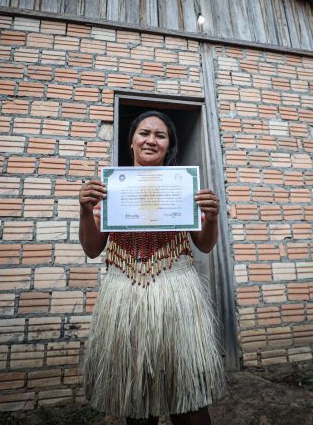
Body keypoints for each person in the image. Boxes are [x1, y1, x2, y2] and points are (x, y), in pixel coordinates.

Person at [79, 110, 226, 425]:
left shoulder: (182, 186)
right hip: (125, 295)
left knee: (189, 399)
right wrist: (84, 210)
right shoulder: (112, 188)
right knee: (138, 402)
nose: (151, 140)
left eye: (161, 135)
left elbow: (204, 244)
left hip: (176, 290)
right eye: (144, 133)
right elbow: (93, 248)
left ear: (168, 146)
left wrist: (211, 217)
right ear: (131, 141)